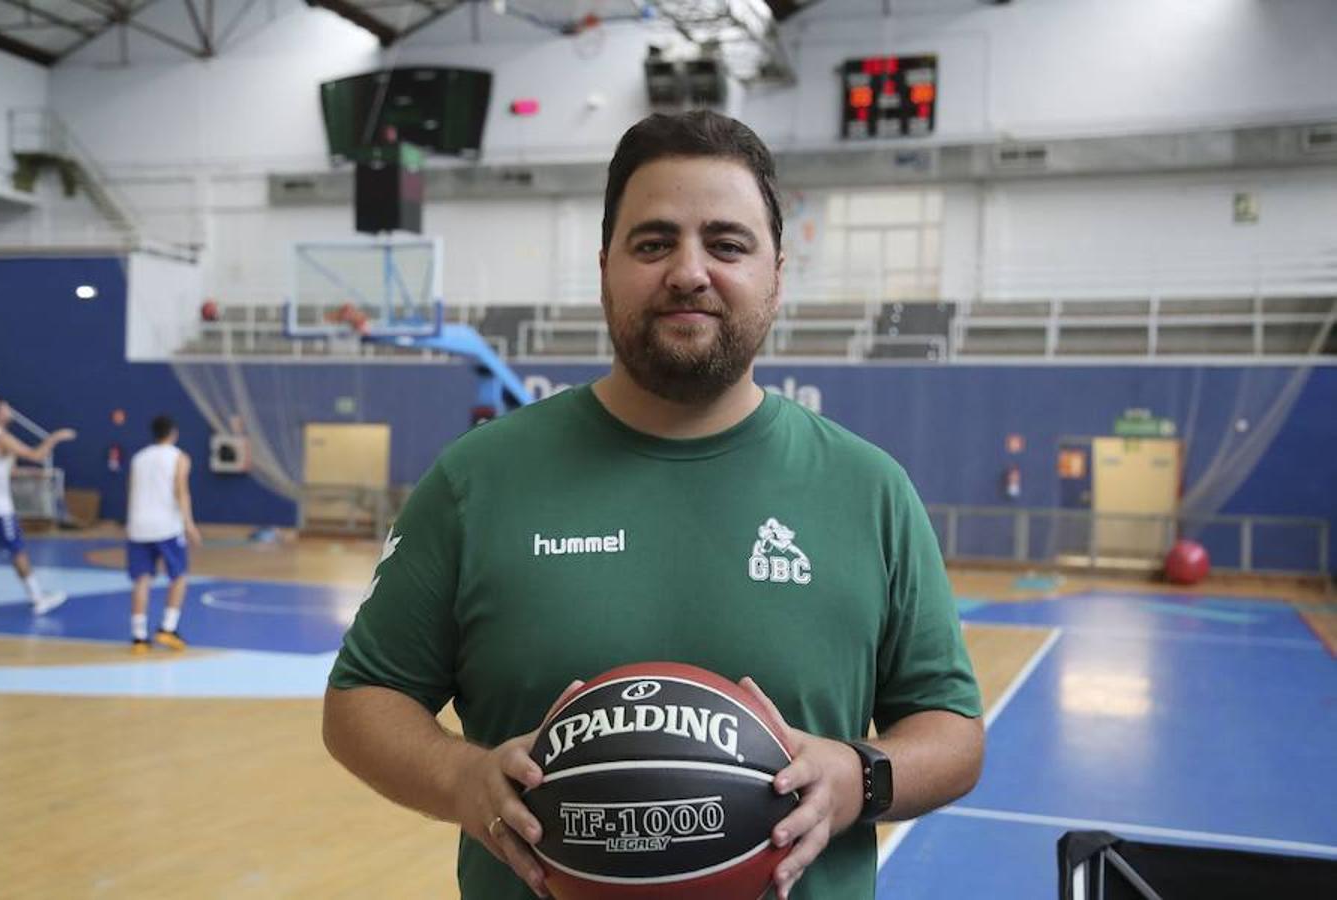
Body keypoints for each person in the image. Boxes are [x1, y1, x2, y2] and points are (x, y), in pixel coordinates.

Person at [323, 111, 984, 899]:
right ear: (605, 266)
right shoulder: (479, 479)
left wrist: (857, 776)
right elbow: (361, 701)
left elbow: (953, 735)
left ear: (778, 273)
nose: (689, 270)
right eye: (653, 241)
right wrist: (464, 779)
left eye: (728, 244)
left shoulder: (869, 489)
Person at [0, 394, 76, 615]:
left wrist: (32, 473)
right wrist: (56, 437)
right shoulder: (0, 436)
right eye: (6, 407)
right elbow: (37, 454)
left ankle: (37, 596)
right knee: (18, 552)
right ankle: (38, 598)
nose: (10, 410)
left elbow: (8, 470)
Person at [126, 414, 201, 654]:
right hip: (166, 526)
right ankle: (167, 628)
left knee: (142, 580)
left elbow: (131, 490)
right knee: (179, 577)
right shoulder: (178, 457)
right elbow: (181, 489)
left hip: (138, 525)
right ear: (173, 433)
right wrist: (189, 523)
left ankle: (139, 637)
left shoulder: (138, 458)